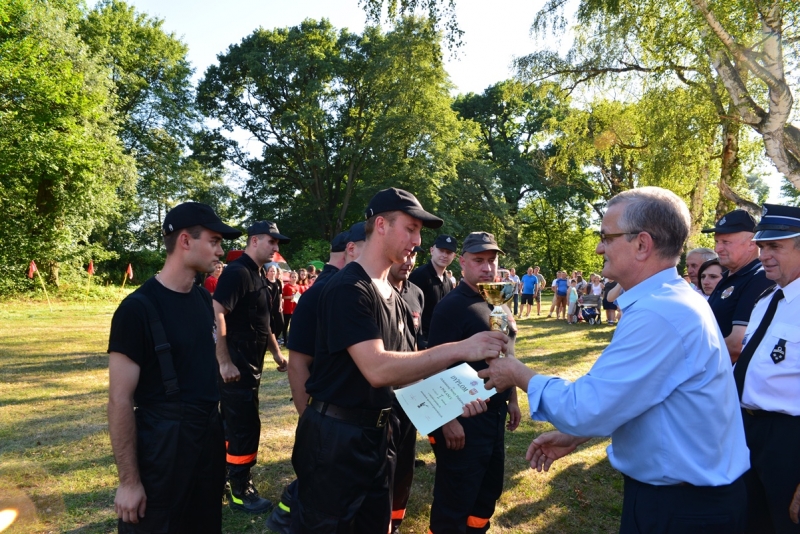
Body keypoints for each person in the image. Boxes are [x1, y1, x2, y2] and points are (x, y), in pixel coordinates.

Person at [480, 187, 750, 533]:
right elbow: (641, 396)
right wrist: (576, 436)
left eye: (606, 237)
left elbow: (585, 407)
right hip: (683, 500)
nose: (598, 248)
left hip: (683, 509)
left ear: (642, 244)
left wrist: (517, 373)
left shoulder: (660, 313)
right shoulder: (670, 301)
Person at [291, 188, 507, 533]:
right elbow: (378, 369)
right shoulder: (349, 288)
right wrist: (461, 349)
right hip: (337, 440)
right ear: (381, 225)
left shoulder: (395, 295)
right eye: (410, 229)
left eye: (419, 232)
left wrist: (454, 399)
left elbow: (410, 370)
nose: (418, 241)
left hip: (380, 435)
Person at [107, 202, 241, 532]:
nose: (220, 251)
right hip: (162, 448)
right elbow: (119, 400)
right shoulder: (136, 310)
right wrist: (129, 482)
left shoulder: (202, 301)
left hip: (207, 437)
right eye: (214, 241)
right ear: (185, 240)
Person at [426, 231, 520, 534]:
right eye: (479, 260)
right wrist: (447, 421)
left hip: (494, 413)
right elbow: (432, 366)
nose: (488, 267)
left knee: (486, 493)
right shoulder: (451, 307)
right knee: (454, 499)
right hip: (464, 419)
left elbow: (505, 353)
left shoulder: (496, 298)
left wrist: (512, 398)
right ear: (462, 262)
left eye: (492, 260)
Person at [213, 221, 289, 513]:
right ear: (254, 240)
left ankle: (220, 478)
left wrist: (276, 353)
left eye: (277, 243)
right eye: (272, 241)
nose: (276, 248)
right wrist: (224, 361)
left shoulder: (258, 275)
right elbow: (218, 311)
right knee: (243, 425)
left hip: (251, 363)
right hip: (235, 364)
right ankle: (240, 491)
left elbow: (263, 322)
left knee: (233, 424)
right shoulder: (237, 272)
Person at [734, 203, 800, 533]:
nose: (764, 255)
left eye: (775, 246)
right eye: (761, 246)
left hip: (789, 441)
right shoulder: (766, 299)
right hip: (749, 432)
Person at [386, 245, 425, 534]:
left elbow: (416, 342)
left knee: (405, 463)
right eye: (404, 255)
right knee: (383, 466)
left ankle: (396, 519)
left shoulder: (416, 293)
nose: (408, 261)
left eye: (413, 256)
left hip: (410, 394)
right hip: (382, 396)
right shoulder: (377, 292)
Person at [704, 209, 773, 363]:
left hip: (726, 373)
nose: (717, 249)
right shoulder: (729, 276)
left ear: (751, 244)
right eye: (717, 242)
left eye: (725, 242)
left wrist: (689, 357)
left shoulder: (760, 278)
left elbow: (737, 345)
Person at [409, 233, 457, 348]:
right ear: (432, 250)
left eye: (449, 252)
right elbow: (409, 311)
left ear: (454, 256)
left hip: (441, 341)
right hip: (420, 342)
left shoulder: (448, 282)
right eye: (441, 250)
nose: (444, 255)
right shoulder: (419, 275)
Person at [281, 271, 300, 344]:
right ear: (290, 278)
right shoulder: (287, 286)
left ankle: (292, 340)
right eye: (292, 277)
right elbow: (282, 296)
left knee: (294, 325)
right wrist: (290, 297)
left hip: (295, 308)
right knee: (286, 325)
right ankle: (285, 340)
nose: (294, 278)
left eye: (295, 277)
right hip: (288, 308)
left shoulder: (298, 286)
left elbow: (299, 296)